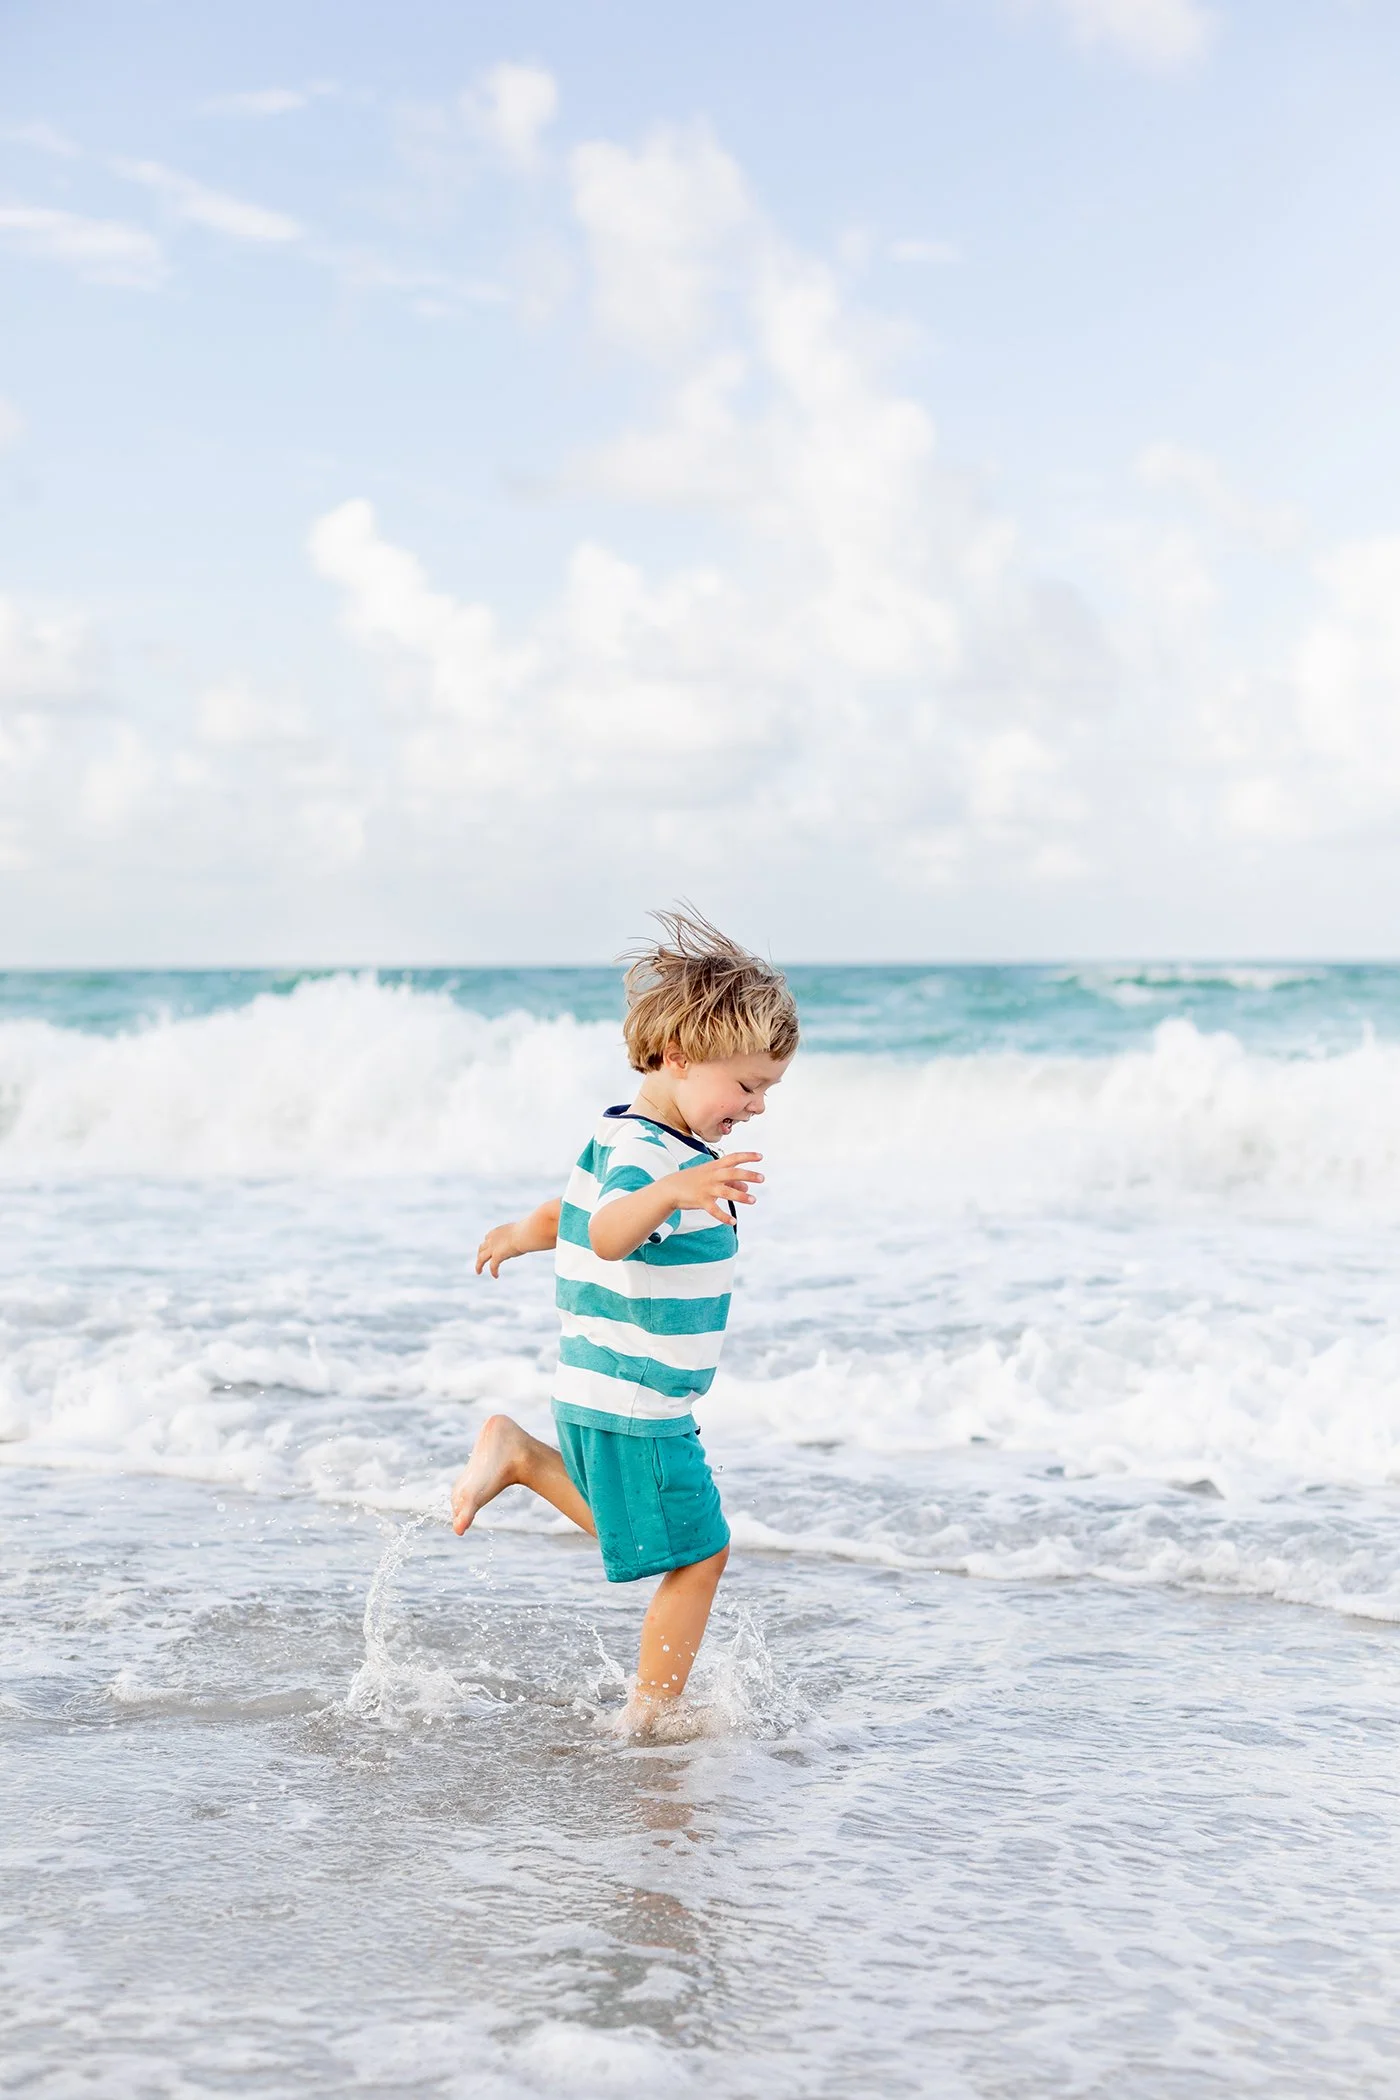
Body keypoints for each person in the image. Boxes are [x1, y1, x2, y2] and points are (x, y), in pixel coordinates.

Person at [451, 909, 799, 1733]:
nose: (754, 1107)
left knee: (649, 1537)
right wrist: (677, 1192)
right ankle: (648, 1717)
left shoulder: (627, 1134)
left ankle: (523, 1457)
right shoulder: (656, 1160)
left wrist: (522, 1234)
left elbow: (569, 1214)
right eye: (746, 1085)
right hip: (636, 1402)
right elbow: (608, 1233)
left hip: (614, 1394)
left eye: (766, 1090)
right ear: (679, 1056)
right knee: (699, 1555)